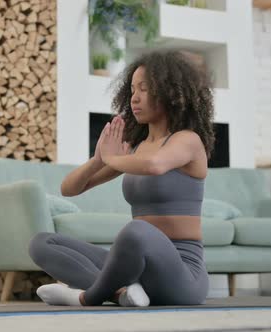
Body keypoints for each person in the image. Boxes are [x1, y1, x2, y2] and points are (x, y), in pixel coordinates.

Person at [28, 49, 215, 306]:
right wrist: (97, 160)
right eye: (132, 90)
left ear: (171, 92)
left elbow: (155, 165)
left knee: (136, 231)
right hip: (136, 272)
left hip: (183, 275)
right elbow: (69, 188)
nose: (134, 98)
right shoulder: (136, 148)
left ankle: (86, 297)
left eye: (144, 89)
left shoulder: (187, 140)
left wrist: (113, 158)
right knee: (42, 242)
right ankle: (120, 294)